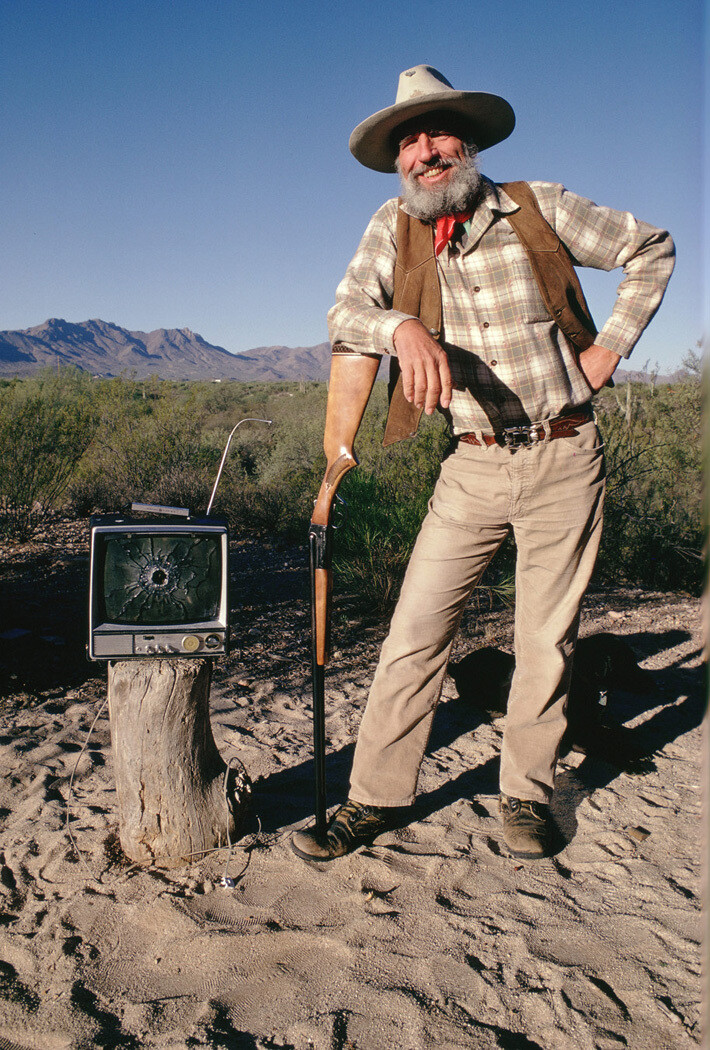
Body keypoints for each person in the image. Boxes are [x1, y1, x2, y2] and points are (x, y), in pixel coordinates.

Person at [291, 65, 674, 862]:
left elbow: (651, 247)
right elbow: (343, 311)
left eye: (434, 133)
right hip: (470, 464)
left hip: (566, 452)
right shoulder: (392, 230)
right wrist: (400, 327)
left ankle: (527, 795)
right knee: (414, 632)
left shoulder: (540, 208)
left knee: (546, 637)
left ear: (465, 140)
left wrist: (607, 351)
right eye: (408, 141)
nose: (423, 151)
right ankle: (374, 799)